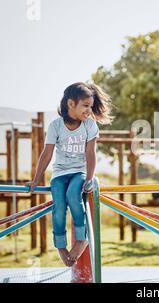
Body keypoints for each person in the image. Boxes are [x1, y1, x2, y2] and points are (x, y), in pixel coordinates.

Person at [27, 82, 112, 266]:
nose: (89, 110)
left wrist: (89, 178)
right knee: (58, 205)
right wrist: (35, 179)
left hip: (79, 172)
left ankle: (82, 238)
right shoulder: (56, 126)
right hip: (59, 173)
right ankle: (60, 246)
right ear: (71, 104)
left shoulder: (89, 125)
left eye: (90, 106)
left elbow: (91, 153)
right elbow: (47, 153)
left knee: (73, 196)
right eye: (86, 106)